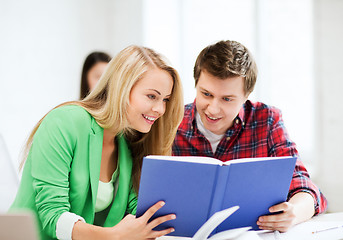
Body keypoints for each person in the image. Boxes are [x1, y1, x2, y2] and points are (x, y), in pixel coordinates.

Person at [10, 45, 184, 240]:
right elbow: (53, 216)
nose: (160, 109)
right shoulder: (65, 122)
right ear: (122, 88)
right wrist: (113, 236)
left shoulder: (128, 143)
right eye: (152, 96)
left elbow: (140, 214)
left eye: (166, 99)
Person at [172, 40, 327, 232]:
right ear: (195, 85)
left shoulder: (267, 121)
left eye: (227, 99)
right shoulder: (171, 123)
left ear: (246, 96)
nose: (213, 108)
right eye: (206, 94)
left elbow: (305, 187)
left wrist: (293, 212)